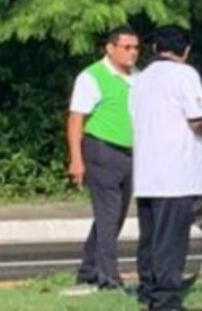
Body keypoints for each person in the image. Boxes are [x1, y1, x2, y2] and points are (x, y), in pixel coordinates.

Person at [130, 27, 202, 311]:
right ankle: (166, 299)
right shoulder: (185, 75)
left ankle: (147, 289)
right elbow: (196, 118)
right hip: (176, 172)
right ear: (186, 51)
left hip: (146, 170)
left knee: (150, 237)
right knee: (171, 239)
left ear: (155, 47)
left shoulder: (139, 79)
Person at [67, 25, 140, 290]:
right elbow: (76, 119)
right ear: (110, 48)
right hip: (102, 150)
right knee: (108, 214)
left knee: (114, 215)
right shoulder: (93, 76)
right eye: (127, 47)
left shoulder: (136, 77)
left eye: (136, 48)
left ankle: (88, 268)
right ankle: (108, 276)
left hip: (129, 152)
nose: (132, 53)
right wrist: (76, 159)